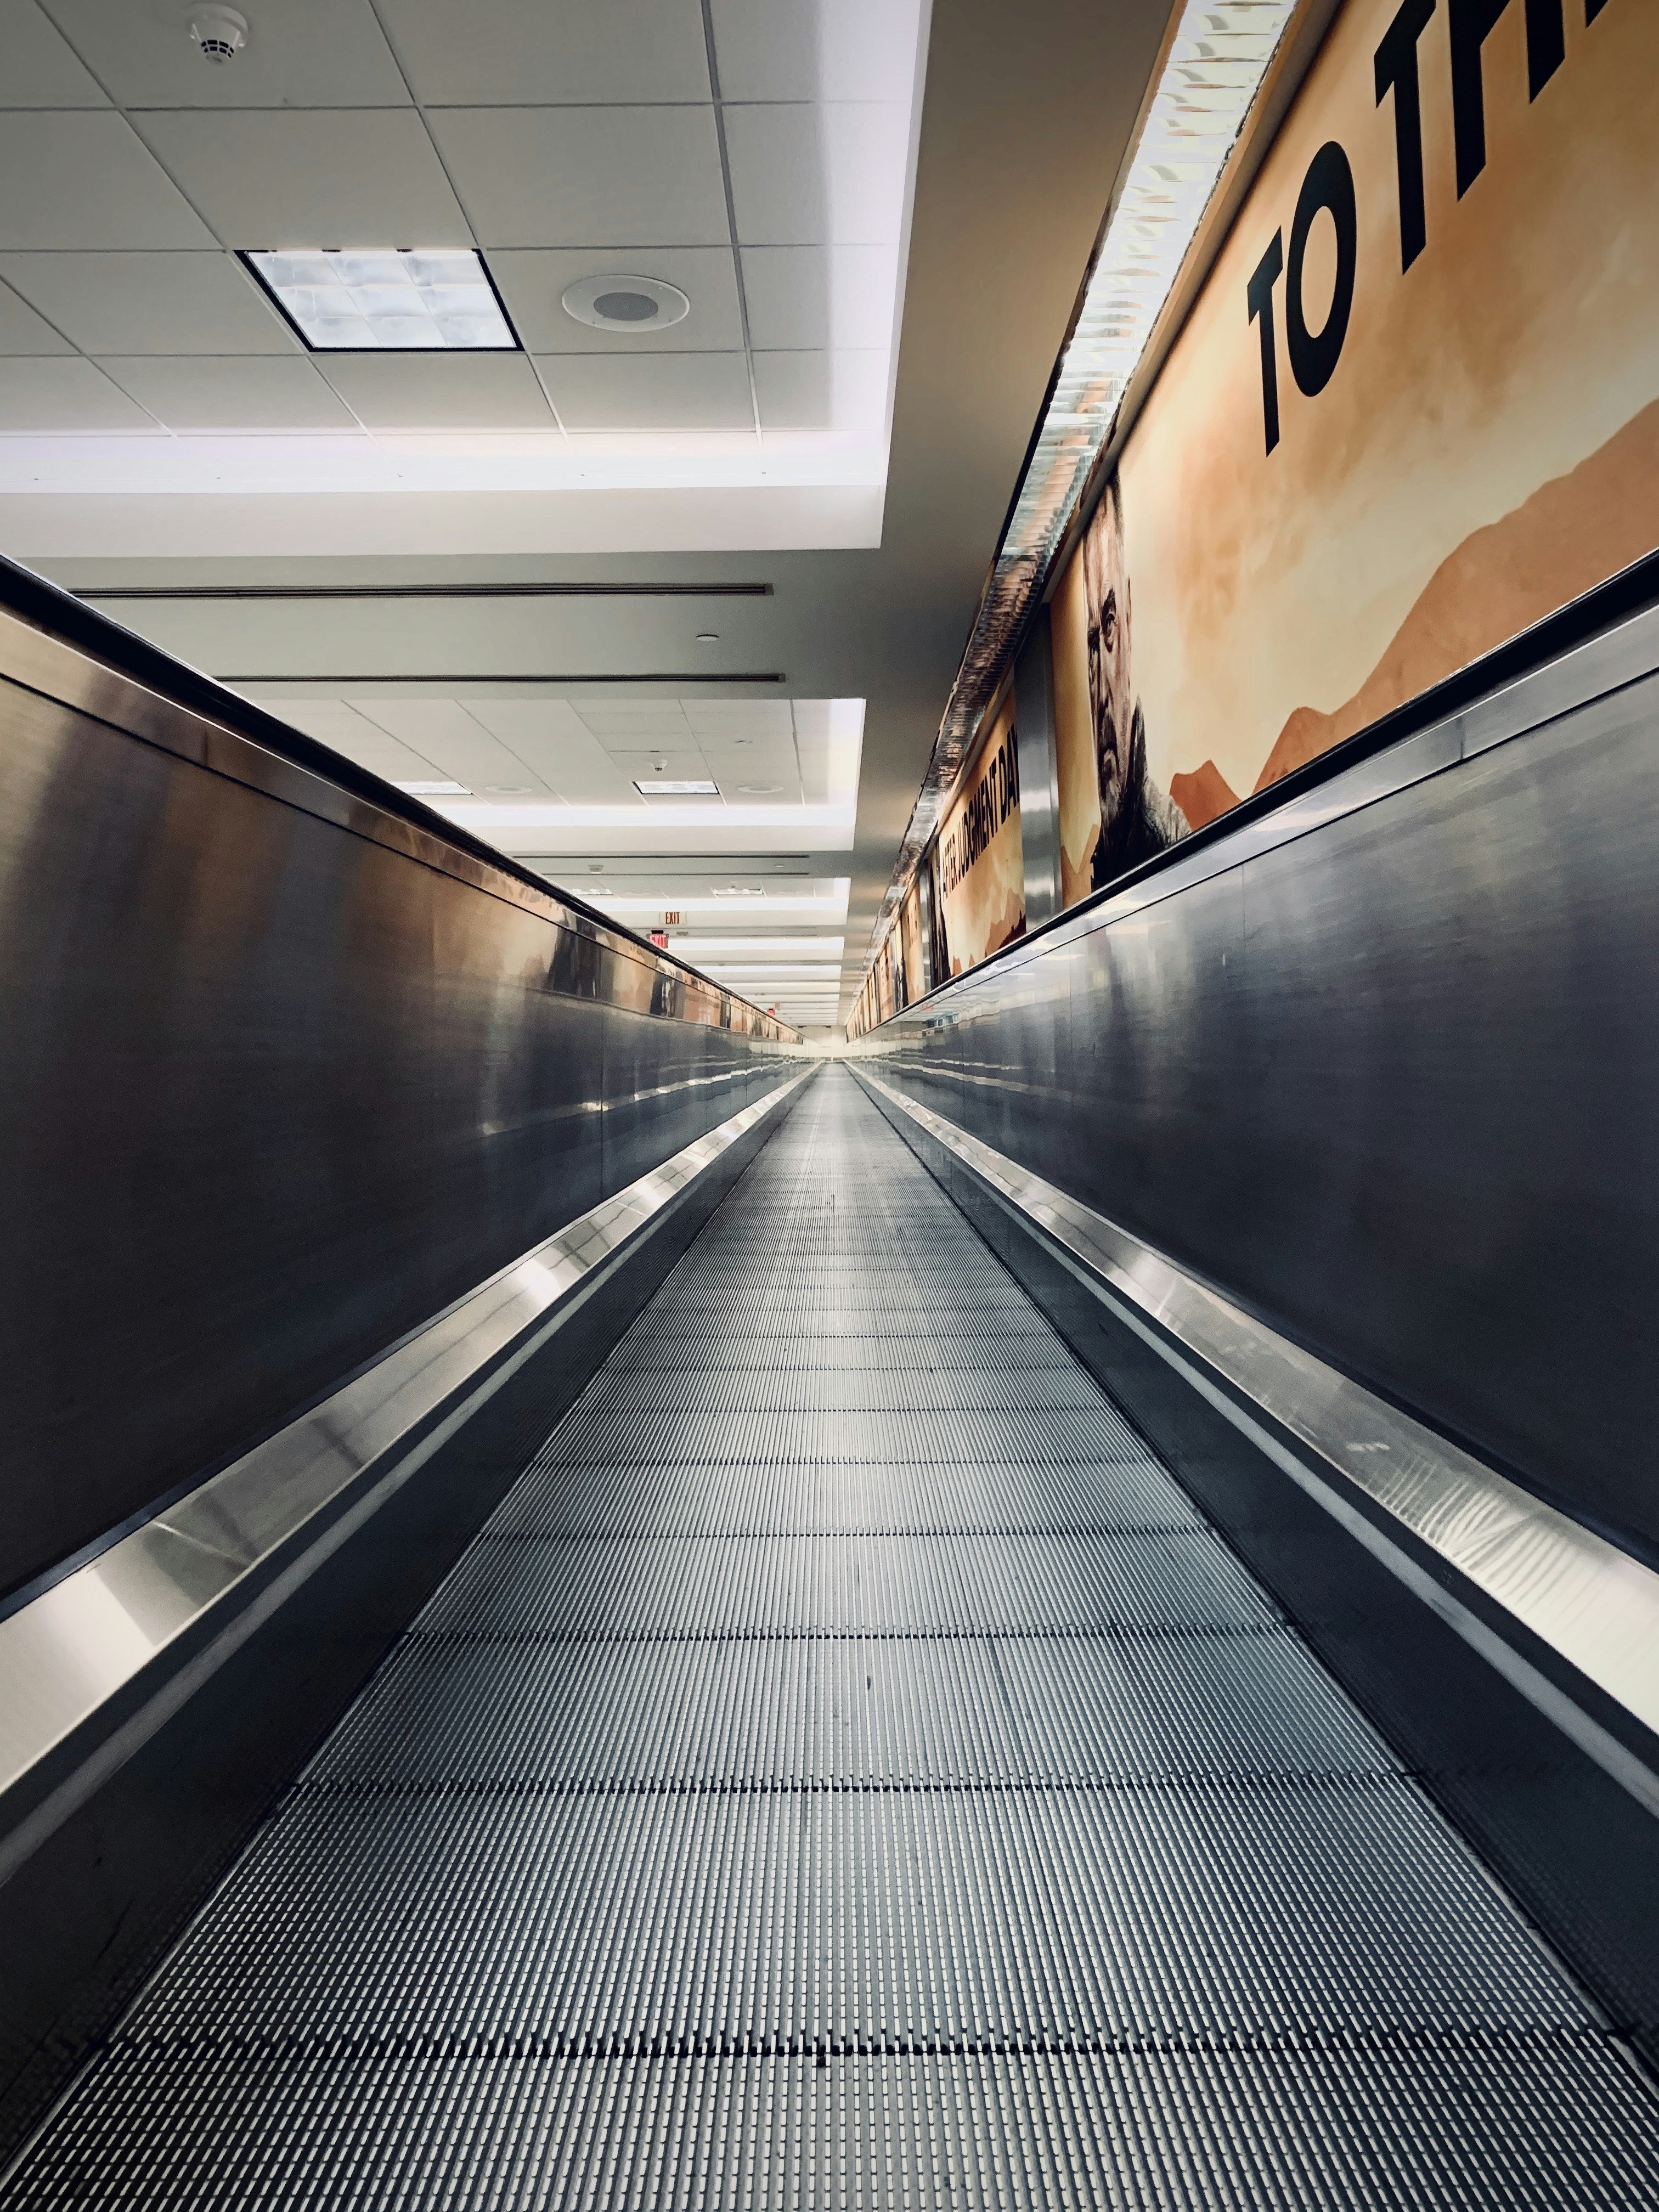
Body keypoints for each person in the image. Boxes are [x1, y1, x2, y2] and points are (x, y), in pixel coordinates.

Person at [1084, 474, 1189, 893]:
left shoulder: (1168, 838)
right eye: (1090, 644)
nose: (1101, 690)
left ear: (1128, 620)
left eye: (1107, 625)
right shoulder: (1101, 857)